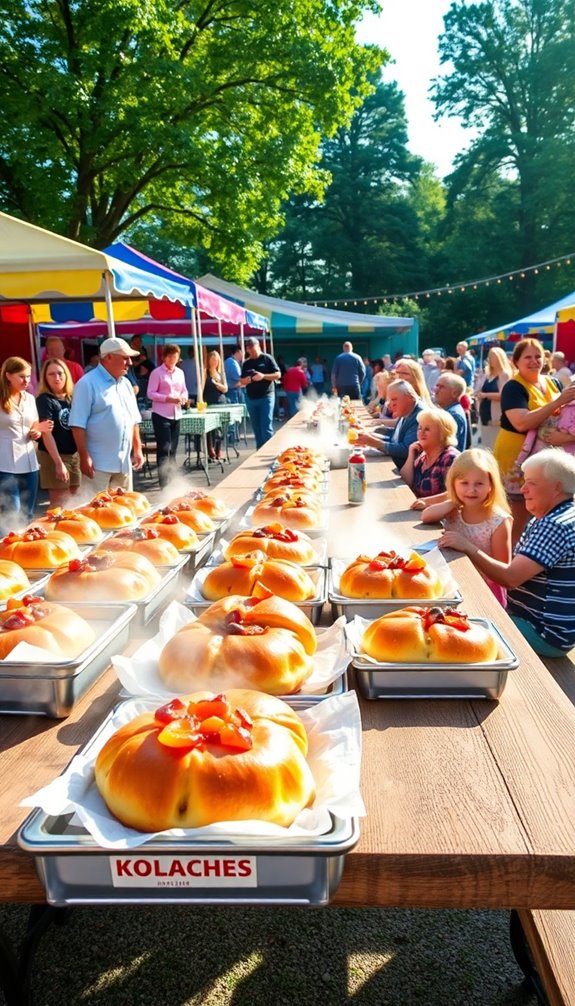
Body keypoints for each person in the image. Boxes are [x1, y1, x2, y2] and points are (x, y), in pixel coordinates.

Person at [439, 448, 575, 654]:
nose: (523, 490)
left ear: (556, 488)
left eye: (531, 483)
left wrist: (467, 546)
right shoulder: (565, 515)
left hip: (541, 632)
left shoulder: (553, 525)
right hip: (557, 630)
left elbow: (510, 578)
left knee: (449, 630)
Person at [493, 338, 575, 543]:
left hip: (546, 460)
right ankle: (509, 562)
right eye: (527, 357)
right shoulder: (513, 387)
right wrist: (558, 401)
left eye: (538, 356)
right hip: (515, 458)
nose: (534, 361)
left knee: (546, 510)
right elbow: (521, 423)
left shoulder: (553, 381)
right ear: (516, 361)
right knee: (517, 515)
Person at [422, 448, 512, 607]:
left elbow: (503, 572)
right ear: (453, 484)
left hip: (484, 593)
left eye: (479, 483)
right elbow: (426, 516)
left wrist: (467, 546)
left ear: (490, 485)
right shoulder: (454, 510)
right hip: (452, 582)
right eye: (464, 483)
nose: (471, 490)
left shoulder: (498, 521)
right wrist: (452, 501)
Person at [69, 336, 144, 494]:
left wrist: (138, 449)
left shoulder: (126, 384)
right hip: (98, 465)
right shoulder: (86, 383)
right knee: (95, 512)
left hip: (123, 463)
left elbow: (133, 420)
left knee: (124, 512)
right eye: (125, 358)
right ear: (109, 357)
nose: (130, 362)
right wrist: (84, 457)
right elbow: (77, 424)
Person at [0, 356, 53, 529]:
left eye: (29, 376)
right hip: (4, 464)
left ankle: (24, 549)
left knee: (28, 513)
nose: (26, 380)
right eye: (21, 376)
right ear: (8, 375)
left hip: (29, 462)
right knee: (11, 512)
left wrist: (37, 431)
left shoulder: (30, 398)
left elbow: (34, 426)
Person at [36, 358, 80, 508]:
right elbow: (46, 433)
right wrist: (58, 462)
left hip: (74, 455)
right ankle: (53, 531)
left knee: (74, 500)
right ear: (45, 378)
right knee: (58, 503)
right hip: (53, 456)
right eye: (51, 374)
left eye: (60, 373)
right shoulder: (44, 400)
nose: (57, 378)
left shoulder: (72, 397)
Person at [146, 343, 189, 487]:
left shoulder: (180, 373)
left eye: (175, 356)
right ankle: (164, 483)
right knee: (164, 448)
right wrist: (167, 398)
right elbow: (150, 393)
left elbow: (184, 390)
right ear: (164, 357)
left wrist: (183, 397)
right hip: (161, 414)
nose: (172, 359)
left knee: (173, 450)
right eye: (169, 356)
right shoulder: (157, 373)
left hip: (176, 414)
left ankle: (173, 480)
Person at [355, 380, 423, 465]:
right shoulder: (408, 409)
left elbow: (406, 450)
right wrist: (368, 435)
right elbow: (396, 436)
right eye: (389, 401)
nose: (390, 405)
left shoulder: (420, 416)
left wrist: (375, 442)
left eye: (394, 400)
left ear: (410, 397)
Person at [399, 408, 459, 500]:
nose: (421, 432)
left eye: (427, 429)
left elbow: (456, 494)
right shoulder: (422, 456)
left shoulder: (450, 458)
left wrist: (426, 502)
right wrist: (411, 455)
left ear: (442, 433)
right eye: (419, 428)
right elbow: (405, 482)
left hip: (439, 513)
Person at [239, 337, 281, 450]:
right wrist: (247, 380)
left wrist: (263, 376)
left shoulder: (267, 359)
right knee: (256, 428)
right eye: (248, 348)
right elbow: (241, 381)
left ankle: (268, 451)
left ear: (258, 346)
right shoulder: (246, 363)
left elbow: (278, 374)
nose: (251, 351)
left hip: (266, 396)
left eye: (252, 348)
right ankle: (260, 450)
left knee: (266, 426)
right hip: (251, 398)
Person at [476, 346, 514, 451]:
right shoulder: (488, 375)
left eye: (492, 357)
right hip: (485, 415)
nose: (490, 359)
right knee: (486, 446)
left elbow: (504, 395)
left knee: (494, 447)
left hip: (496, 418)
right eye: (489, 357)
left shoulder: (504, 375)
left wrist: (485, 395)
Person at [433, 372, 469, 451]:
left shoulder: (453, 415)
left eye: (441, 387)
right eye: (436, 386)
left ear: (454, 393)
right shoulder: (449, 411)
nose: (436, 390)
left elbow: (445, 447)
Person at [203, 350, 228, 461]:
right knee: (210, 427)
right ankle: (210, 448)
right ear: (208, 360)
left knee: (220, 427)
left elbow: (225, 388)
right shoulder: (205, 372)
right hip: (208, 401)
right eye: (212, 359)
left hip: (221, 402)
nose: (214, 361)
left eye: (216, 359)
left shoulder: (221, 373)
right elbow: (201, 387)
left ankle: (218, 448)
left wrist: (218, 385)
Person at [224, 345, 245, 444]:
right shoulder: (231, 362)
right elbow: (238, 377)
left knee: (237, 415)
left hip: (236, 390)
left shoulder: (234, 362)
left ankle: (234, 435)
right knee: (233, 415)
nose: (243, 355)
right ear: (237, 352)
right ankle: (231, 436)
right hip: (233, 391)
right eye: (242, 352)